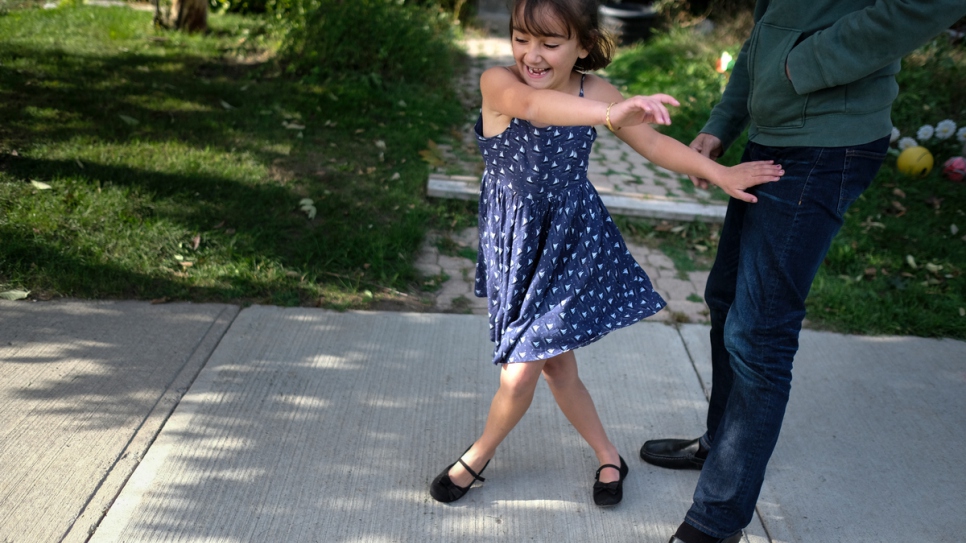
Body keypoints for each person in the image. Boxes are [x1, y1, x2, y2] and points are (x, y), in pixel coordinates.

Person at [429, 0, 783, 508]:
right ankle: (608, 454)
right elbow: (535, 109)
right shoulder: (499, 84)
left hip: (571, 243)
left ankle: (475, 459)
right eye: (521, 38)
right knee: (557, 368)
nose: (532, 54)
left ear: (583, 46)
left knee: (524, 366)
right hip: (519, 244)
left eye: (550, 44)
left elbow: (655, 144)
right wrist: (610, 114)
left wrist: (720, 174)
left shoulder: (592, 91)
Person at [638, 1, 966, 542]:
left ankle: (716, 522)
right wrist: (724, 121)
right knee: (726, 299)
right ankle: (721, 445)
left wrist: (806, 64)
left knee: (760, 332)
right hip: (780, 132)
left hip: (828, 143)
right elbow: (763, 34)